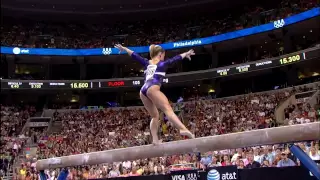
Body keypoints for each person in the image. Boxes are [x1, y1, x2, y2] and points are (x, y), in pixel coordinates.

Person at [115, 44, 195, 144]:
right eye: (164, 55)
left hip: (143, 90)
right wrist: (186, 53)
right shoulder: (163, 63)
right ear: (160, 54)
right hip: (153, 87)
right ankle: (182, 129)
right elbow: (176, 59)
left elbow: (134, 55)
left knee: (155, 116)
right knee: (168, 110)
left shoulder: (146, 62)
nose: (164, 58)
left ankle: (155, 140)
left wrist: (125, 48)